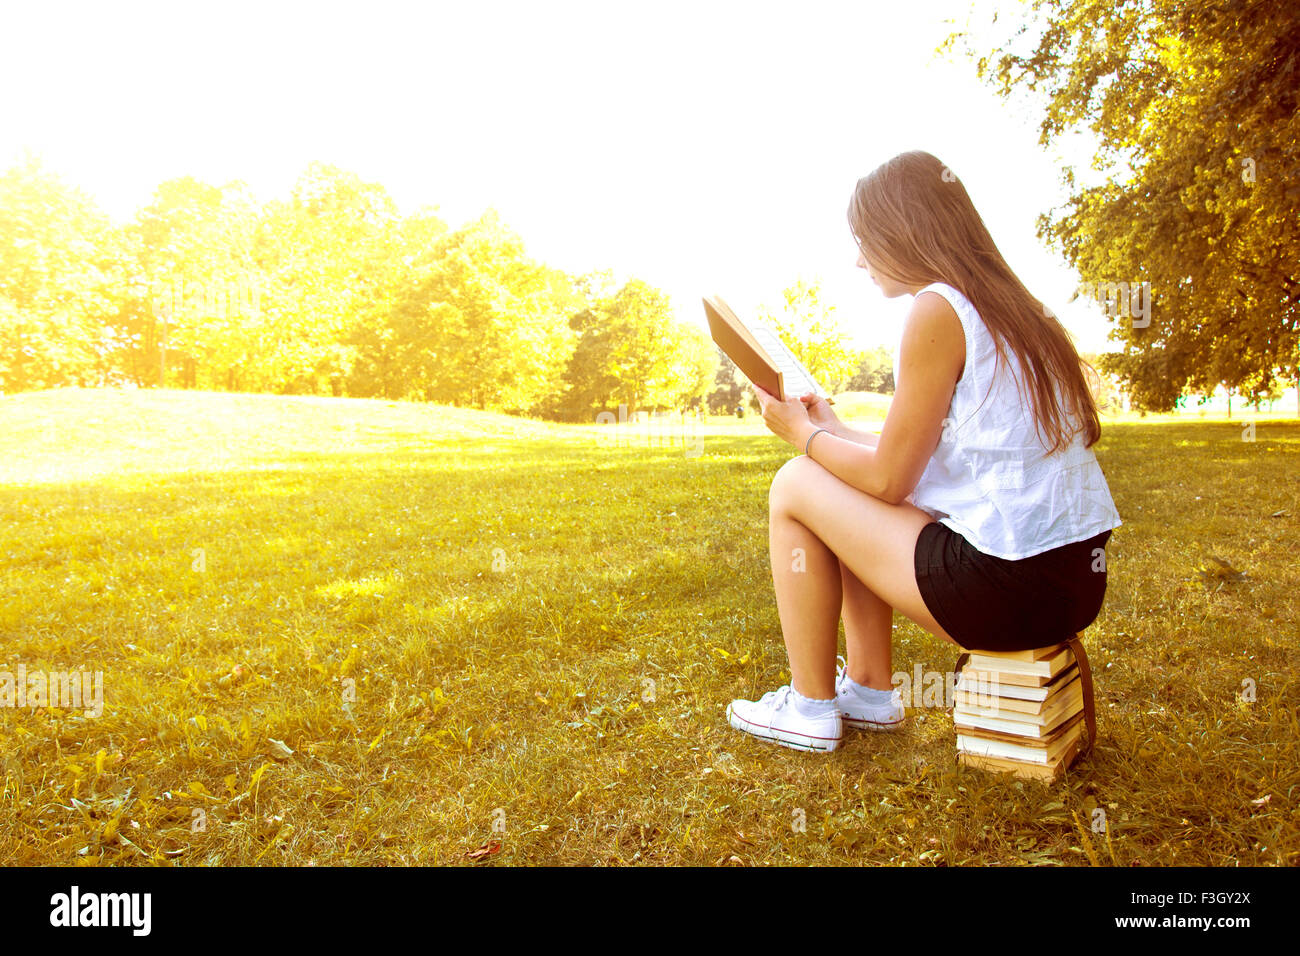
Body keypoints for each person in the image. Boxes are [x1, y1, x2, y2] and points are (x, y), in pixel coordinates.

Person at [726, 150, 1123, 753]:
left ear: (902, 230)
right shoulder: (1011, 309)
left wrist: (801, 436)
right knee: (832, 480)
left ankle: (810, 708)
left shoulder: (935, 308)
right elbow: (909, 457)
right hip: (1068, 581)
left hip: (1010, 589)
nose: (858, 259)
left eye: (864, 239)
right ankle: (867, 691)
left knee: (794, 482)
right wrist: (829, 427)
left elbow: (888, 480)